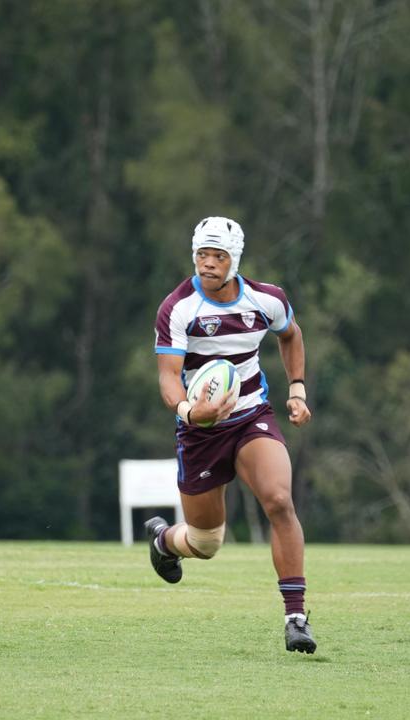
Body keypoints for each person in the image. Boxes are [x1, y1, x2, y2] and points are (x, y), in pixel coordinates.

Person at [148, 216, 316, 654]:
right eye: (202, 254)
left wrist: (296, 388)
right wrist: (192, 410)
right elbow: (168, 381)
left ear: (234, 260)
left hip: (250, 416)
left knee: (279, 500)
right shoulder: (178, 308)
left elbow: (291, 336)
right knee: (205, 542)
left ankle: (295, 617)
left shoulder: (267, 299)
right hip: (199, 431)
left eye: (217, 256)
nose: (207, 264)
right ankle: (165, 541)